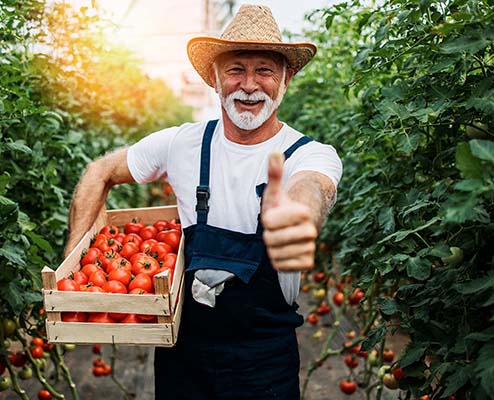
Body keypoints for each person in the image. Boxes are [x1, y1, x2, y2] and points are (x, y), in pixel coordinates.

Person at [64, 4, 342, 399]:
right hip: (183, 358)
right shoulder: (182, 143)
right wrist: (74, 258)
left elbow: (313, 188)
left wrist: (297, 215)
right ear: (214, 78)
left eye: (264, 69)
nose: (249, 84)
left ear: (286, 79)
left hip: (264, 364)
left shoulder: (309, 154)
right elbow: (101, 171)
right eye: (235, 69)